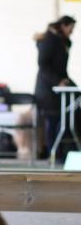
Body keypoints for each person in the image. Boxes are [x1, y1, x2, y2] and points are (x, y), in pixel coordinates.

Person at [34, 15, 77, 160]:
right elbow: (43, 66)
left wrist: (69, 82)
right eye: (71, 27)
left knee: (62, 119)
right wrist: (57, 82)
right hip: (47, 90)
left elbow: (61, 68)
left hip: (58, 88)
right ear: (64, 25)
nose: (72, 31)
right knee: (52, 121)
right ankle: (54, 155)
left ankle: (62, 154)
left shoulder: (61, 41)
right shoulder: (49, 40)